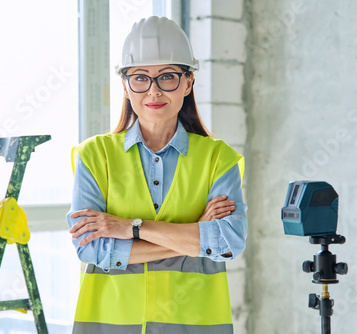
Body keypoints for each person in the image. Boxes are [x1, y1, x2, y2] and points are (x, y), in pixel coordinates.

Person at [67, 16, 247, 334]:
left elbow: (229, 240)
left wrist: (130, 228)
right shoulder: (94, 156)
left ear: (188, 82)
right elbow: (93, 249)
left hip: (195, 324)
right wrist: (195, 236)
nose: (153, 91)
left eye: (167, 77)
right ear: (125, 85)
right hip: (111, 325)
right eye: (140, 78)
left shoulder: (218, 159)